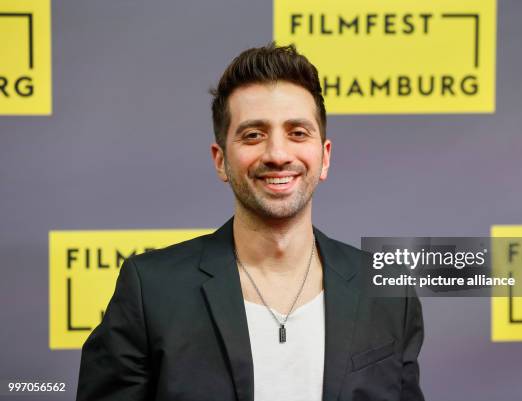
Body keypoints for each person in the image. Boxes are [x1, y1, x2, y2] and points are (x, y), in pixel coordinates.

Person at [76, 43, 425, 401]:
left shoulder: (387, 293)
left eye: (298, 133)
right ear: (220, 160)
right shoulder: (151, 291)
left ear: (324, 157)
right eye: (253, 134)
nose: (277, 154)